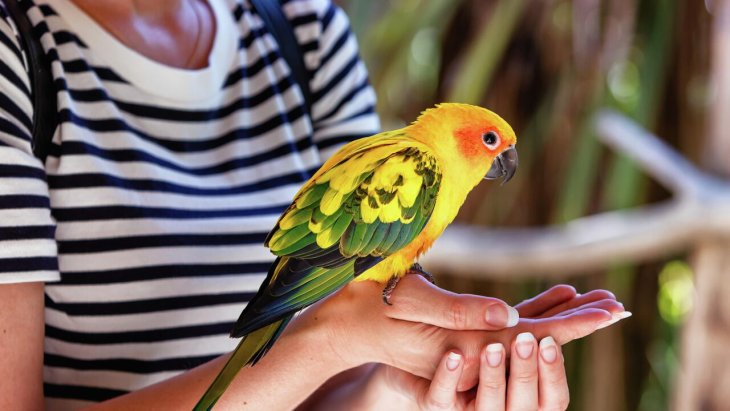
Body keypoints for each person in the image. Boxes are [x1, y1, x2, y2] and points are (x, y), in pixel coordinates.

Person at [0, 0, 627, 409]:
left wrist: (404, 385)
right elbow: (338, 315)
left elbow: (339, 382)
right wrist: (326, 338)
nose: (501, 159)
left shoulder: (306, 31)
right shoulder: (17, 52)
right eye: (491, 142)